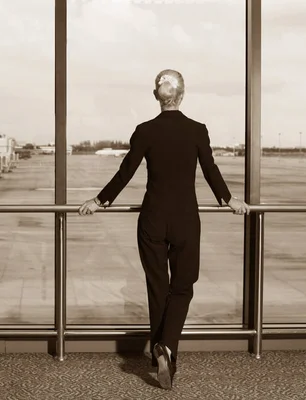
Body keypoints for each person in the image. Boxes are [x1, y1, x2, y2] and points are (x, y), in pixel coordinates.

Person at [78, 69, 250, 390]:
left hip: (152, 218)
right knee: (182, 288)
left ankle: (163, 356)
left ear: (156, 96)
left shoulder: (144, 131)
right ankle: (167, 349)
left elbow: (125, 171)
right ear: (182, 95)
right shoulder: (197, 130)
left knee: (158, 288)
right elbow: (210, 169)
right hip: (185, 218)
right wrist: (228, 199)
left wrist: (100, 201)